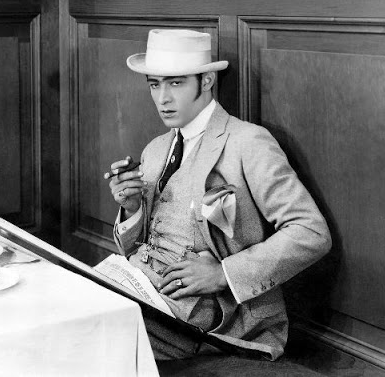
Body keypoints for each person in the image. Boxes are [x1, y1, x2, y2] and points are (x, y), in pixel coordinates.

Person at [107, 28, 331, 361]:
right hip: (141, 288)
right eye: (154, 84)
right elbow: (144, 242)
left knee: (97, 335)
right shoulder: (155, 149)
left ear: (207, 80)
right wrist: (132, 209)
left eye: (176, 83)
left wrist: (223, 273)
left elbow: (311, 232)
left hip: (209, 317)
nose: (162, 98)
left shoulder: (247, 143)